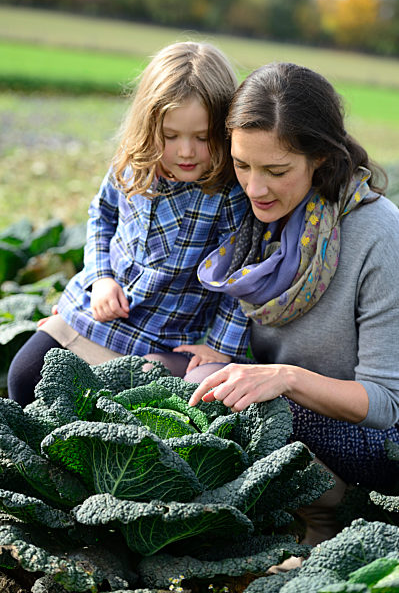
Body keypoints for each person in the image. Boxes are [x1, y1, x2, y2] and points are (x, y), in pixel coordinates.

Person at [181, 61, 399, 547]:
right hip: (294, 411)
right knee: (178, 376)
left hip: (376, 440)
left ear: (320, 156)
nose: (255, 188)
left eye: (276, 171)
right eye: (242, 165)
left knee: (232, 400)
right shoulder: (251, 221)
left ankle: (328, 518)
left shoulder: (379, 235)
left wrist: (286, 378)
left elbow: (385, 405)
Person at [7, 41, 250, 408]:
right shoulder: (132, 164)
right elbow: (101, 217)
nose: (186, 151)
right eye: (170, 136)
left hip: (167, 337)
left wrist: (220, 346)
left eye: (202, 138)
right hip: (98, 311)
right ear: (149, 125)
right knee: (24, 376)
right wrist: (100, 278)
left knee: (118, 407)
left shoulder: (227, 194)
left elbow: (240, 276)